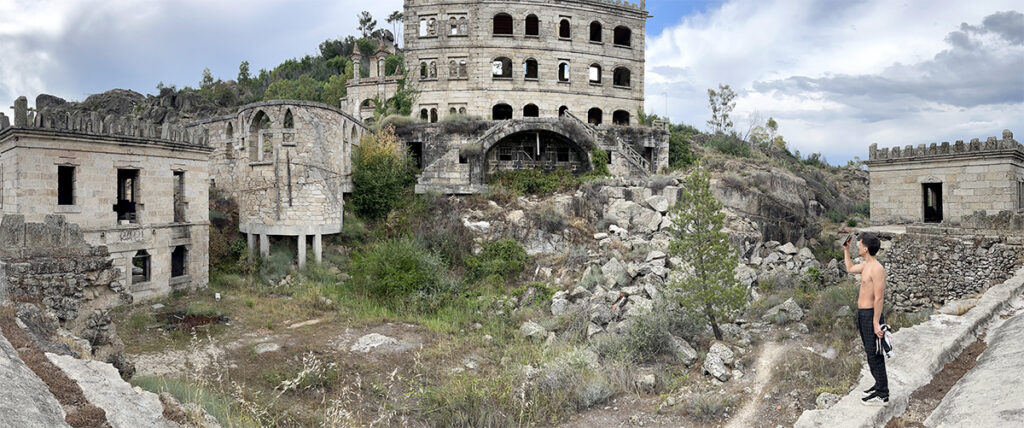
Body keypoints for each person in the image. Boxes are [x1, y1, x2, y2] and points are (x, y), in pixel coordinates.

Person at [844, 232, 889, 406]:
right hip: (863, 314)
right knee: (870, 353)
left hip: (871, 315)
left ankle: (882, 394)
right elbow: (849, 269)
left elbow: (879, 297)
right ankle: (878, 385)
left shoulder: (877, 269)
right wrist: (846, 251)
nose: (858, 245)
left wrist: (876, 322)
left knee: (875, 354)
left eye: (860, 243)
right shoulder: (866, 266)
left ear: (866, 248)